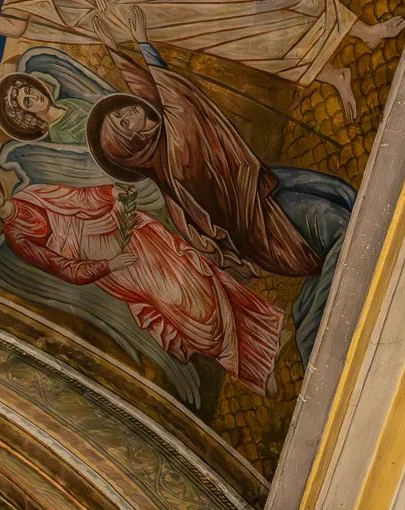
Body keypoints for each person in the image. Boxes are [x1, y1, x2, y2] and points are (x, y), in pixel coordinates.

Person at [90, 26, 356, 358]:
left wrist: (114, 48)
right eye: (123, 124)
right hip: (268, 223)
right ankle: (312, 339)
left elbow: (152, 92)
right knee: (344, 230)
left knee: (345, 200)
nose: (127, 112)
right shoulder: (174, 158)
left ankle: (306, 309)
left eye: (120, 111)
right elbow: (178, 104)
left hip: (264, 189)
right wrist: (143, 42)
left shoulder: (161, 145)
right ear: (133, 144)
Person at [0, 163, 283, 394]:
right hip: (114, 264)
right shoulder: (17, 238)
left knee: (195, 275)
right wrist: (108, 264)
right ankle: (246, 366)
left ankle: (264, 334)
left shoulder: (32, 193)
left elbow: (79, 199)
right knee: (185, 308)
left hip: (122, 232)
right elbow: (64, 268)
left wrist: (113, 194)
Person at [0, 0, 404, 121]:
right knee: (241, 38)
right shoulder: (21, 8)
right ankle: (331, 72)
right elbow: (14, 27)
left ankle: (361, 31)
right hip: (150, 18)